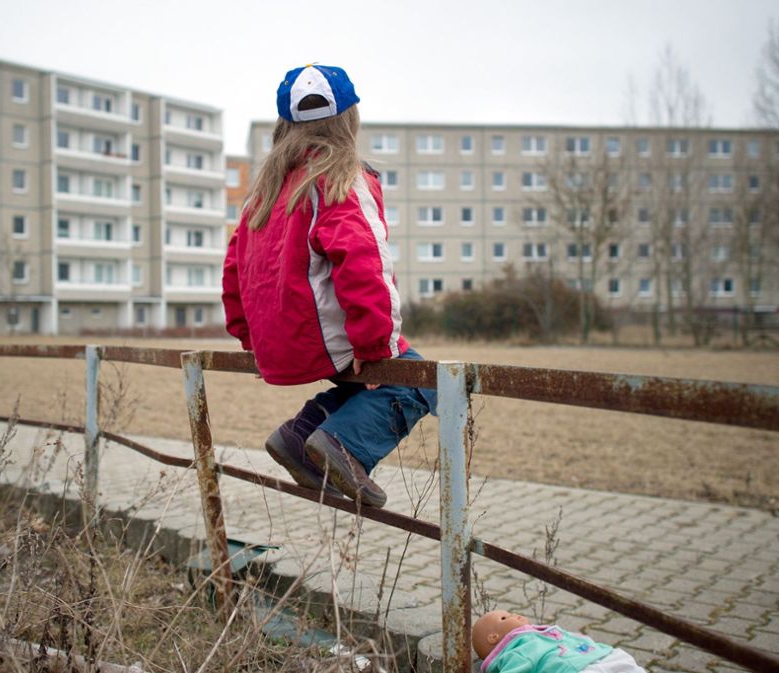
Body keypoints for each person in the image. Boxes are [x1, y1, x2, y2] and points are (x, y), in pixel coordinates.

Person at [221, 63, 436, 508]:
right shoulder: (340, 177)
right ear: (349, 119)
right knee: (420, 379)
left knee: (362, 385)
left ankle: (299, 437)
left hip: (278, 347)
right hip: (324, 339)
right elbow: (365, 264)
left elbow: (233, 271)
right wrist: (377, 348)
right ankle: (345, 446)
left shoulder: (263, 193)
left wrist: (249, 340)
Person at [472, 610, 647, 673]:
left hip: (599, 657)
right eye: (505, 617)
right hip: (577, 669)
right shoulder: (518, 649)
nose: (515, 614)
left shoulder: (536, 634)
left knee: (626, 663)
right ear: (493, 637)